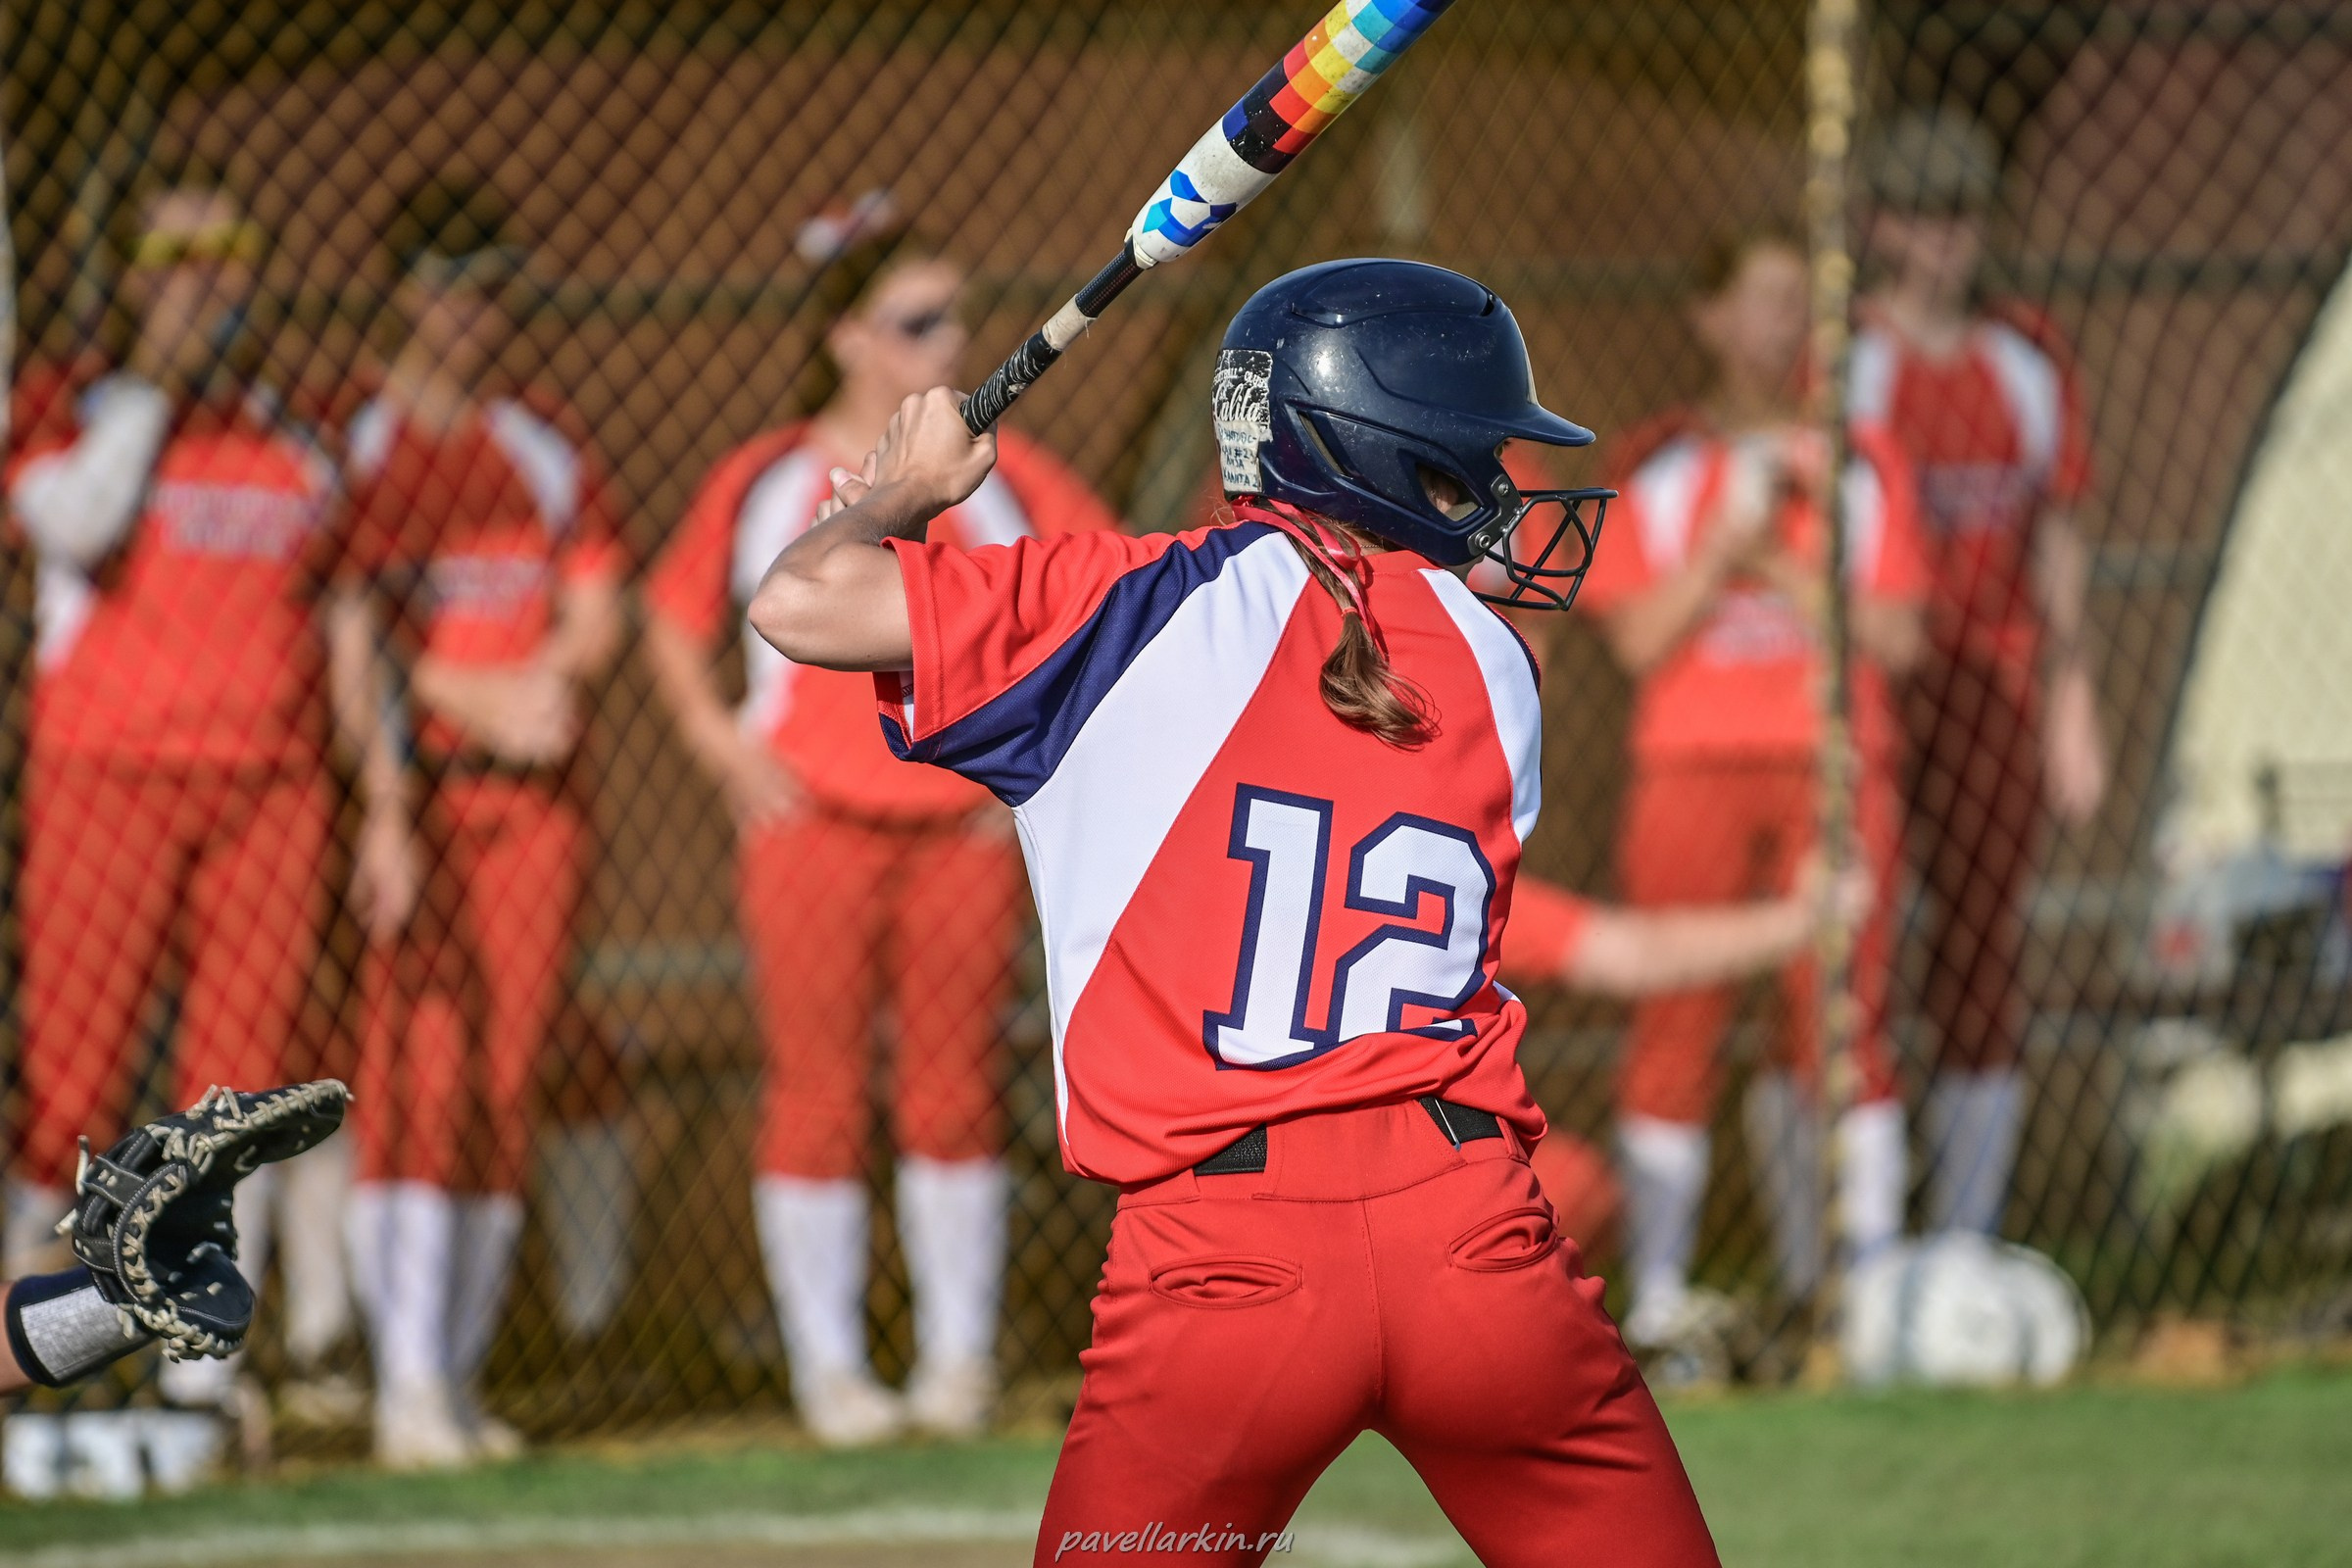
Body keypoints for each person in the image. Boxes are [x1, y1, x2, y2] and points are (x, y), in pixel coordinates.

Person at [747, 259, 1720, 1564]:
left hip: (1222, 1265)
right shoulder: (1498, 665)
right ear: (1368, 453)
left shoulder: (1126, 605)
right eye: (1463, 469)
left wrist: (899, 499)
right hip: (1477, 1245)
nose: (1494, 501)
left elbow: (798, 602)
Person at [642, 220, 1119, 1445]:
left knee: (955, 1091)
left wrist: (1026, 768)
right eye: (916, 322)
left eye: (955, 316)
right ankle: (831, 1371)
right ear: (846, 337)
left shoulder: (1000, 472)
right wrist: (721, 748)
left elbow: (1106, 595)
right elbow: (671, 616)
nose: (949, 342)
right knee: (816, 1091)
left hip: (957, 828)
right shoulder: (770, 475)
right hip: (811, 824)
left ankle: (956, 1362)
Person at [3, 184, 343, 1442]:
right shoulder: (77, 403)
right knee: (73, 1080)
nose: (206, 278)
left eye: (229, 250)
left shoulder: (291, 428)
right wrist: (149, 385)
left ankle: (200, 1365)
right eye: (177, 254)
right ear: (131, 274)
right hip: (110, 775)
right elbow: (72, 522)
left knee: (234, 1090)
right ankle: (33, 1350)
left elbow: (339, 599)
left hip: (268, 785)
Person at [1573, 227, 1929, 1350]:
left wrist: (1782, 558)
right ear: (1712, 317)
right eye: (1769, 299)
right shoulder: (1658, 465)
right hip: (1694, 767)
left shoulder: (1863, 458)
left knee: (1841, 1018)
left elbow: (1895, 638)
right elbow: (1640, 638)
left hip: (1833, 764)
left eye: (1805, 302)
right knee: (1675, 1018)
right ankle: (1661, 1298)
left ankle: (1856, 1289)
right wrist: (1727, 544)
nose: (1791, 325)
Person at [333, 178, 626, 1468]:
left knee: (506, 1077)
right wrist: (467, 698)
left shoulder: (539, 441)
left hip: (535, 805)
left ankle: (451, 1377)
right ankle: (399, 1377)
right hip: (417, 799)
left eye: (493, 288)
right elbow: (345, 625)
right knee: (417, 1074)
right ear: (406, 295)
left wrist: (545, 684)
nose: (476, 313)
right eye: (454, 286)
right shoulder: (359, 438)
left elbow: (596, 604)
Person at [1854, 108, 2107, 1236]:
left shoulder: (2024, 357)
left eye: (1960, 215)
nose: (1944, 239)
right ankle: (1846, 1253)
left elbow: (2056, 532)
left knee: (1981, 946)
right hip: (1878, 684)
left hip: (1993, 682)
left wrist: (2072, 697)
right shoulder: (1853, 358)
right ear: (1879, 226)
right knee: (1853, 947)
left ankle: (1968, 1233)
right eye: (1920, 215)